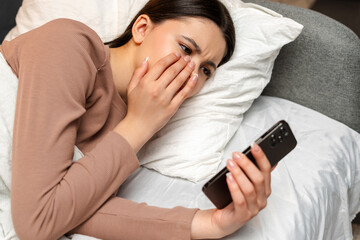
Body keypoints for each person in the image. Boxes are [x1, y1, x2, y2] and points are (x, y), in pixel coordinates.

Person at [0, 0, 272, 239]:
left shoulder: (126, 124)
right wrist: (140, 124)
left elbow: (71, 208)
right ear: (142, 29)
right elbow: (38, 221)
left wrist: (213, 223)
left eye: (205, 70)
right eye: (186, 49)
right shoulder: (68, 44)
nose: (191, 74)